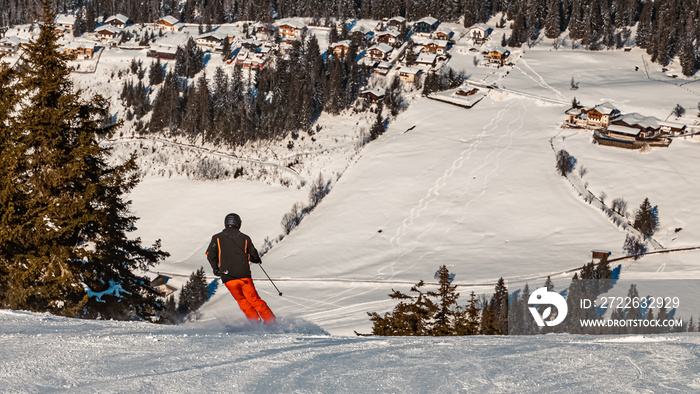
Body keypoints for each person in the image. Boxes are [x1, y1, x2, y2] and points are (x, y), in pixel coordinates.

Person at [206, 213, 276, 324]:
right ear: (239, 224)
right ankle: (271, 322)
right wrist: (256, 259)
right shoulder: (245, 238)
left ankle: (255, 324)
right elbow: (254, 255)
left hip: (228, 277)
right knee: (254, 300)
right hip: (244, 276)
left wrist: (216, 269)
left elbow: (210, 255)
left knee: (242, 301)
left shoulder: (217, 238)